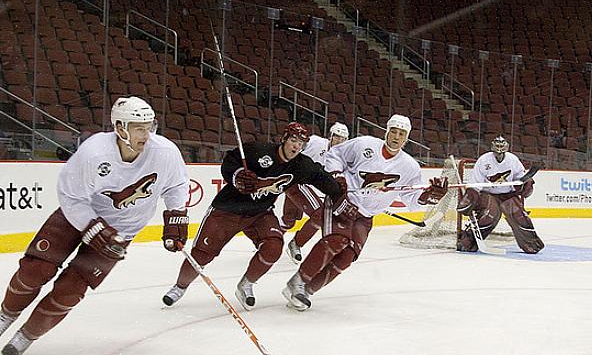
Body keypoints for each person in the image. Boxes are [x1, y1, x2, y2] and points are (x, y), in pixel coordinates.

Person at [0, 96, 190, 355]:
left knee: (71, 291)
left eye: (149, 126)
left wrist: (176, 214)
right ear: (120, 128)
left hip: (120, 231)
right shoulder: (94, 152)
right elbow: (71, 196)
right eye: (139, 128)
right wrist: (91, 226)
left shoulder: (165, 152)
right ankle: (5, 315)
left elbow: (177, 185)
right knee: (35, 271)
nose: (146, 134)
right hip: (74, 218)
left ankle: (27, 335)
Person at [161, 122, 347, 311]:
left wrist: (338, 186)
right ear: (284, 139)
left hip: (260, 213)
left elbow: (321, 177)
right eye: (293, 140)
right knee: (202, 254)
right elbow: (230, 161)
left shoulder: (301, 165)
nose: (296, 147)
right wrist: (238, 175)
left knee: (274, 246)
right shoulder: (258, 151)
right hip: (227, 209)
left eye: (301, 143)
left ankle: (247, 284)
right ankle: (179, 287)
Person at [281, 114, 449, 311]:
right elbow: (335, 155)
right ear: (386, 131)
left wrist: (429, 197)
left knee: (347, 257)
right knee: (337, 240)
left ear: (406, 137)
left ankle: (307, 291)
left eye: (401, 134)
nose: (396, 136)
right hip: (343, 203)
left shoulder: (409, 167)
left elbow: (411, 200)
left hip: (366, 216)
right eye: (393, 131)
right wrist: (337, 177)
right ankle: (298, 282)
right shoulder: (365, 144)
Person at [456, 136, 543, 254]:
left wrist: (525, 184)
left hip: (508, 194)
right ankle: (468, 241)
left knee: (519, 215)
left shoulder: (513, 159)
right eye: (497, 147)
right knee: (490, 215)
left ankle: (531, 243)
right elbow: (475, 183)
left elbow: (520, 178)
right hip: (488, 194)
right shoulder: (484, 160)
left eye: (502, 147)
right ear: (492, 147)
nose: (499, 151)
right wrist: (471, 196)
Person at [281, 122, 349, 264]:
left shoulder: (342, 159)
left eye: (343, 139)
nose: (339, 141)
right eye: (337, 136)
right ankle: (295, 244)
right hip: (296, 181)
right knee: (320, 214)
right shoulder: (315, 142)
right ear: (330, 136)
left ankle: (268, 239)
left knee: (289, 220)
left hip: (302, 186)